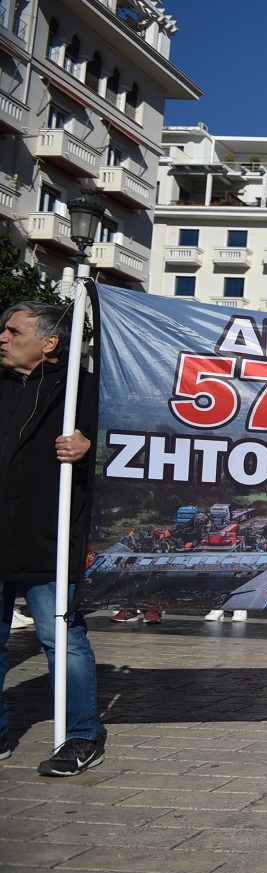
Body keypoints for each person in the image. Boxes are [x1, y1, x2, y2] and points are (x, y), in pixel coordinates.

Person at [0, 301, 107, 775]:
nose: (2, 337)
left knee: (60, 638)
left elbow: (125, 450)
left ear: (49, 342)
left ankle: (82, 736)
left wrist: (90, 450)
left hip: (51, 537)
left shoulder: (84, 389)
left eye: (12, 331)